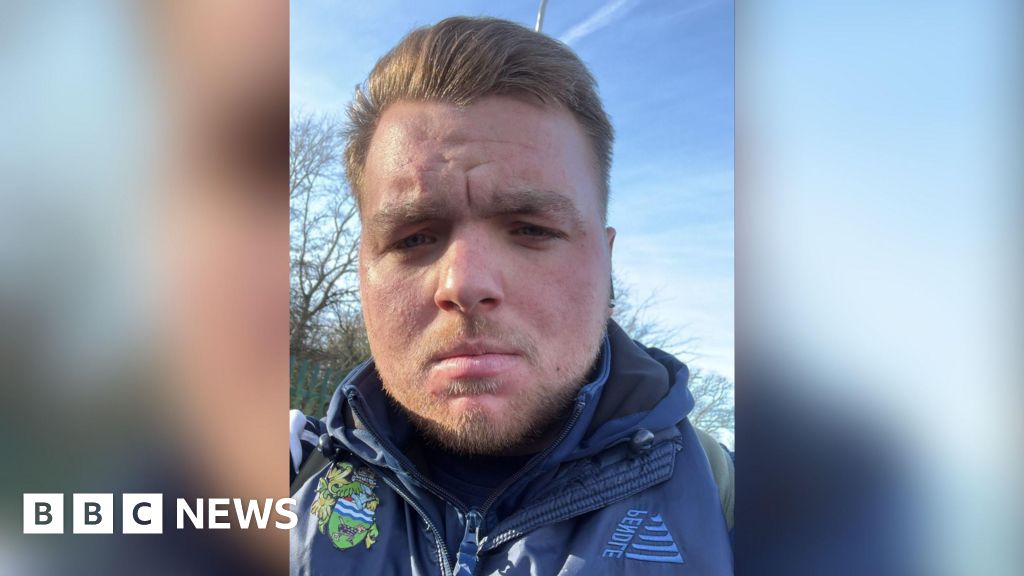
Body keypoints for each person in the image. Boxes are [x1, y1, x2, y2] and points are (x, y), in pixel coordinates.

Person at [289, 16, 733, 575]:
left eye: (532, 229)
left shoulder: (739, 509)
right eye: (414, 237)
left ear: (608, 264)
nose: (465, 283)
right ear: (362, 272)